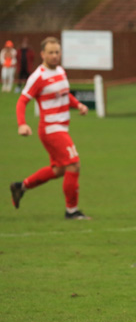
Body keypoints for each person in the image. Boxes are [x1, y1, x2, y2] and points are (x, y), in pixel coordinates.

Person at [10, 37, 91, 220]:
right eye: (51, 52)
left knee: (59, 170)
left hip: (61, 127)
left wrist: (78, 105)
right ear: (43, 54)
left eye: (57, 52)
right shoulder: (38, 76)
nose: (55, 56)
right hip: (50, 129)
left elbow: (64, 94)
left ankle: (20, 186)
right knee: (74, 164)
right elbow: (22, 101)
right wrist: (22, 124)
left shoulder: (61, 71)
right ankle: (72, 211)